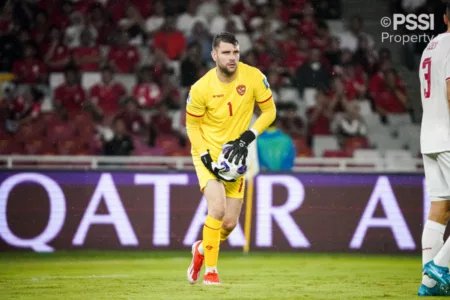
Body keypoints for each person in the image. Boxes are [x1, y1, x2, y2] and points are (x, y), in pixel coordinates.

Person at [185, 32, 276, 285]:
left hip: (236, 156)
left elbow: (270, 111)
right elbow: (191, 127)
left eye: (235, 52)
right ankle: (211, 273)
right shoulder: (201, 88)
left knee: (229, 224)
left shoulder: (254, 76)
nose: (232, 57)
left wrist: (249, 136)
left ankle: (201, 249)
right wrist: (203, 155)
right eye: (226, 53)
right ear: (214, 55)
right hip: (208, 153)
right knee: (217, 208)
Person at [418, 2, 450, 296]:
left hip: (429, 135)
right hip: (449, 136)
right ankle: (440, 266)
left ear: (444, 17)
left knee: (439, 208)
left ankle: (429, 285)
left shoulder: (431, 45)